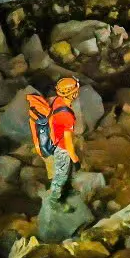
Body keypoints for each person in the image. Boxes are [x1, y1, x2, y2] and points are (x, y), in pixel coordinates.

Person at [30, 76, 83, 206]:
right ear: (72, 94)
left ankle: (61, 194)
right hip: (60, 148)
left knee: (57, 173)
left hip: (52, 141)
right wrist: (75, 159)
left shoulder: (58, 101)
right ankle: (55, 203)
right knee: (60, 177)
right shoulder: (66, 115)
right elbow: (68, 143)